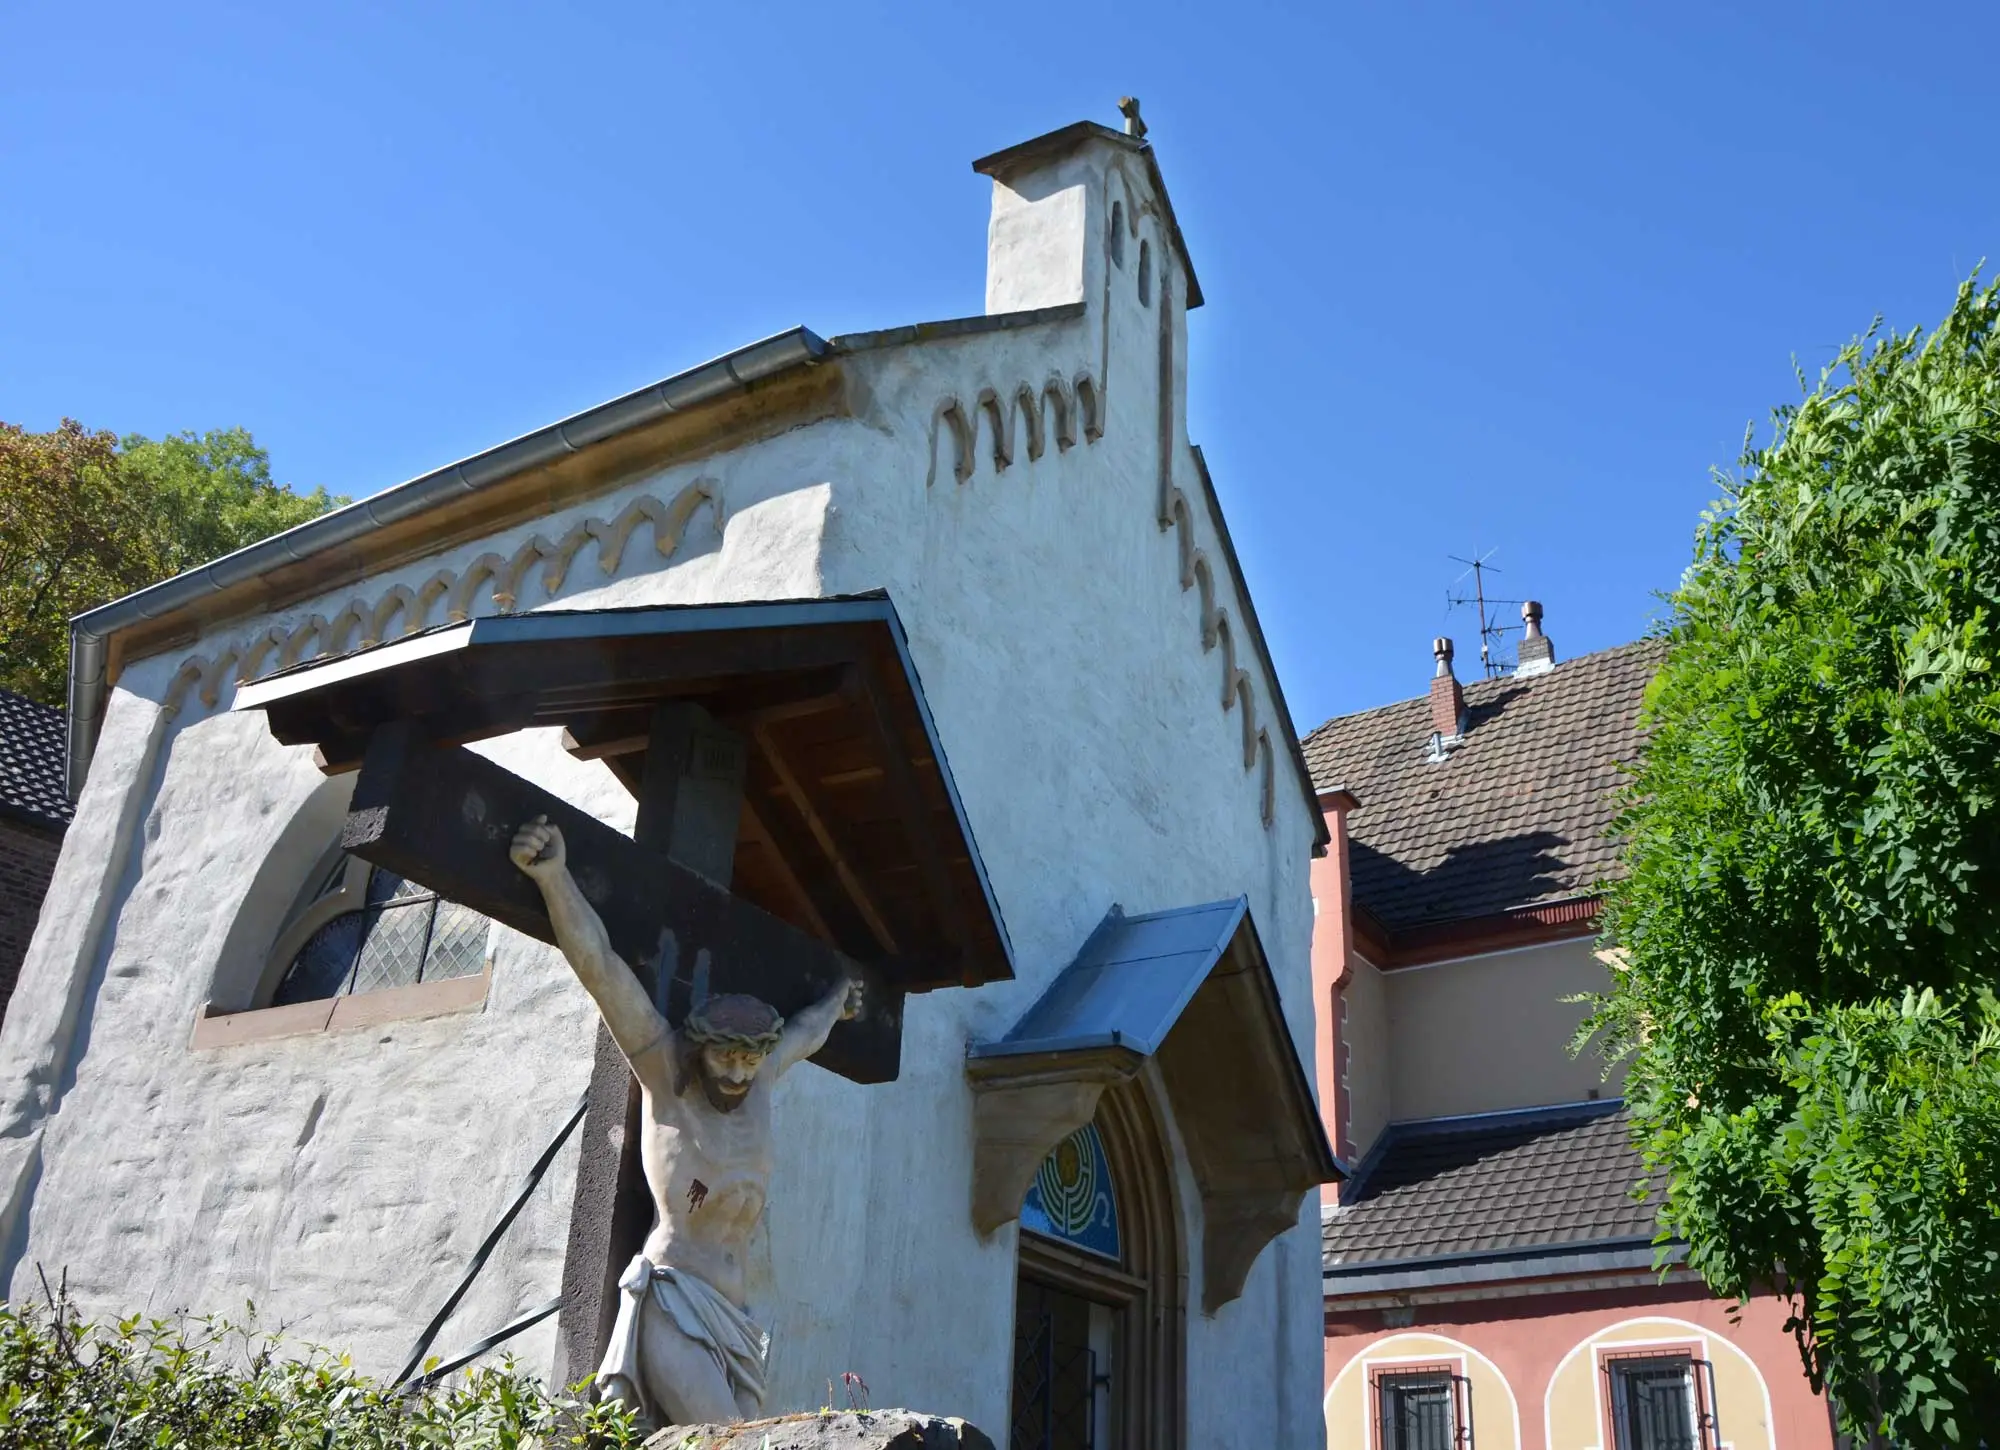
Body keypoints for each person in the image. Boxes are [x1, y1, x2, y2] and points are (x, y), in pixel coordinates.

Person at [509, 814, 862, 1428]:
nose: (737, 1073)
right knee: (731, 1442)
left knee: (746, 1438)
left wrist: (840, 1000)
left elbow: (806, 1031)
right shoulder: (665, 1074)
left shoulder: (761, 1082)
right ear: (698, 1050)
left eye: (750, 1059)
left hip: (739, 1319)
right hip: (673, 1300)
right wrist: (554, 878)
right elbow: (601, 967)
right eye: (724, 1056)